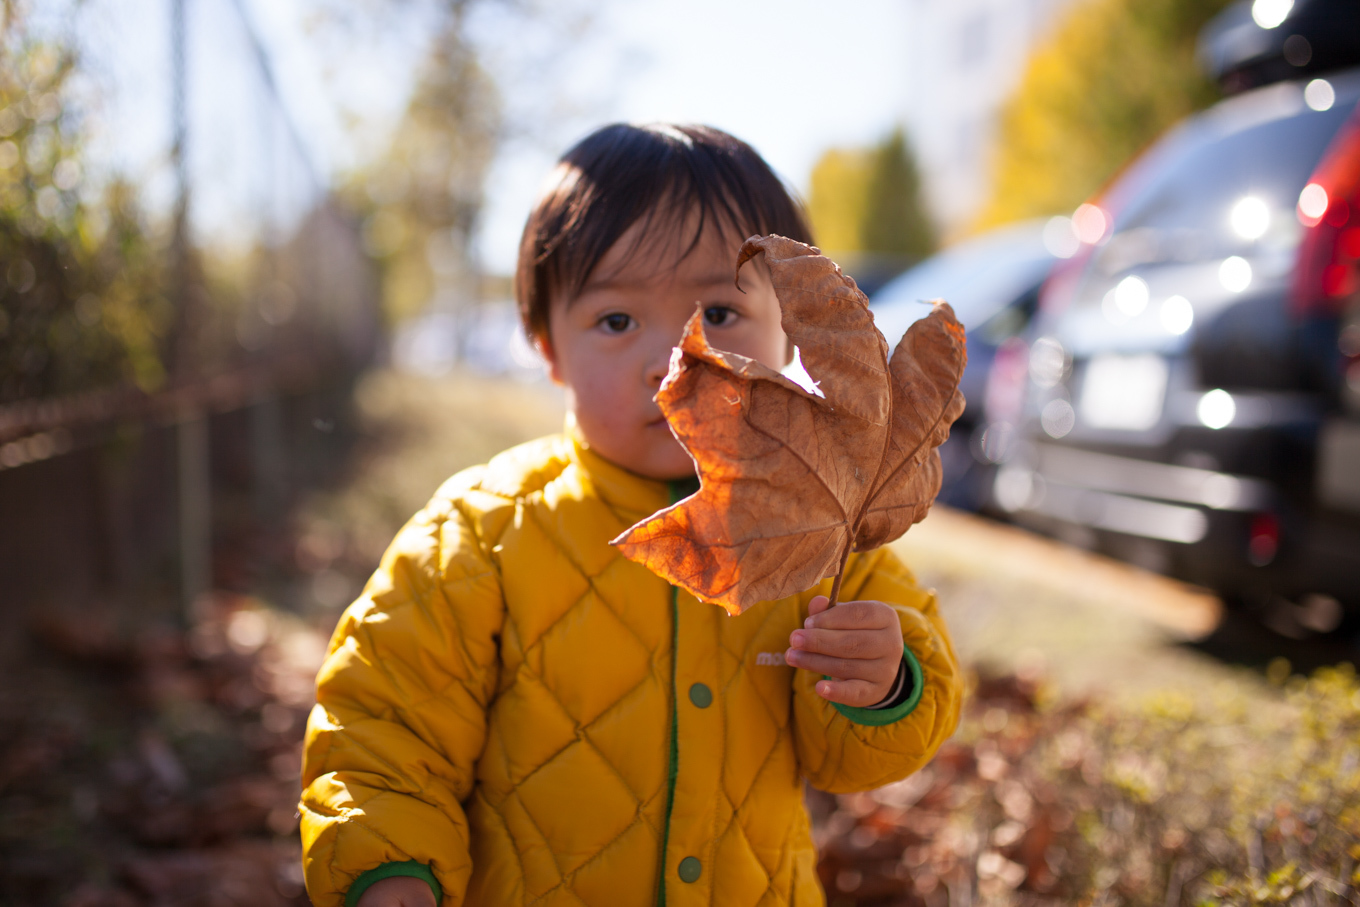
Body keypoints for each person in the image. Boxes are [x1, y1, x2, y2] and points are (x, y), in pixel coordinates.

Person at [299, 123, 962, 907]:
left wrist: (888, 681)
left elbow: (855, 759)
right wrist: (391, 871)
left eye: (720, 311)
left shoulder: (838, 535)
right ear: (547, 346)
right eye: (617, 321)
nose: (675, 357)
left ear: (790, 331)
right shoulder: (482, 532)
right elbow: (382, 727)